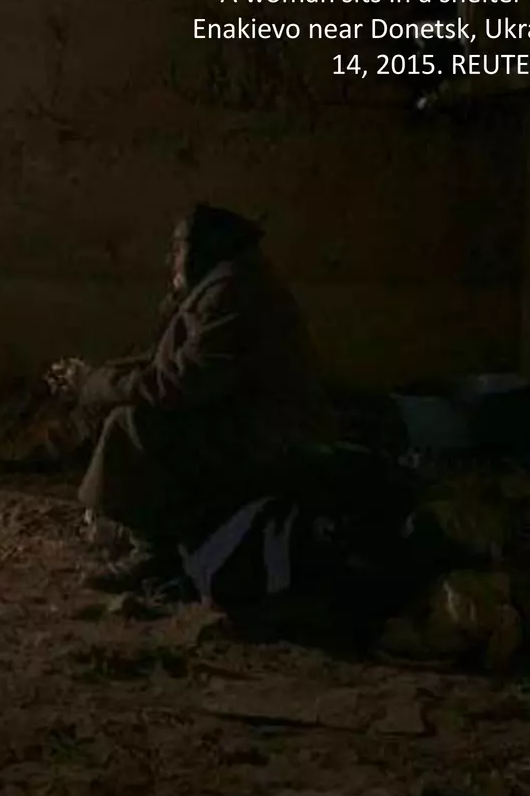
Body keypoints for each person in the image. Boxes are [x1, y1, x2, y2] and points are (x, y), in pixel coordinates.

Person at [48, 204, 335, 592]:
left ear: (204, 248)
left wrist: (96, 386)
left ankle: (152, 553)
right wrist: (97, 378)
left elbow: (180, 384)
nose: (171, 258)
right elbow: (169, 362)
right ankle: (138, 521)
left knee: (134, 423)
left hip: (270, 439)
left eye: (178, 247)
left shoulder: (229, 290)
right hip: (255, 422)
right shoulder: (231, 281)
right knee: (125, 405)